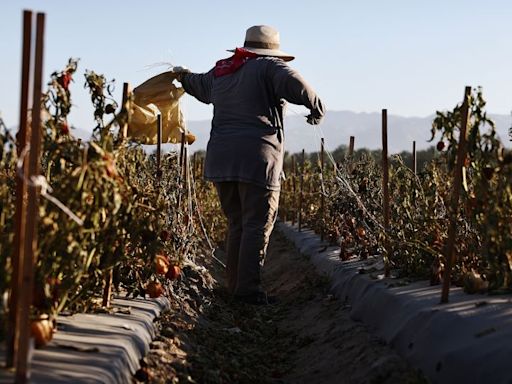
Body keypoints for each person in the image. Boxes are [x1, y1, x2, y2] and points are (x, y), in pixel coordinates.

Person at [175, 25, 324, 305]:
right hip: (257, 158)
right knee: (256, 223)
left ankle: (235, 288)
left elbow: (197, 85)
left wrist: (182, 76)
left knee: (237, 224)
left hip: (221, 159)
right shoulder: (269, 67)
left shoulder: (223, 70)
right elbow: (297, 84)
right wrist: (316, 107)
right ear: (271, 51)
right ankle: (247, 293)